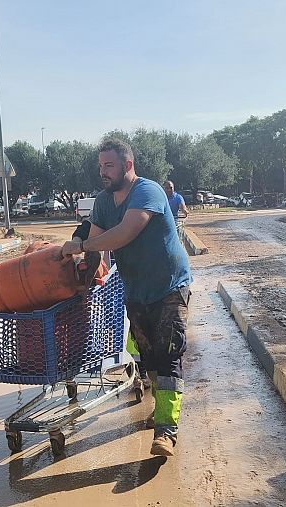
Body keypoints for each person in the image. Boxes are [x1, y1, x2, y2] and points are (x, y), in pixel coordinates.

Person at [62, 138, 192, 457]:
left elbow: (124, 233)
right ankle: (160, 410)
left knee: (168, 355)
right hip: (135, 290)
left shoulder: (147, 191)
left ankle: (166, 430)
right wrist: (84, 283)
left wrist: (80, 246)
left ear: (127, 166)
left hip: (169, 286)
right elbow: (95, 241)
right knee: (146, 355)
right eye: (100, 166)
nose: (103, 172)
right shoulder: (105, 201)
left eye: (109, 165)